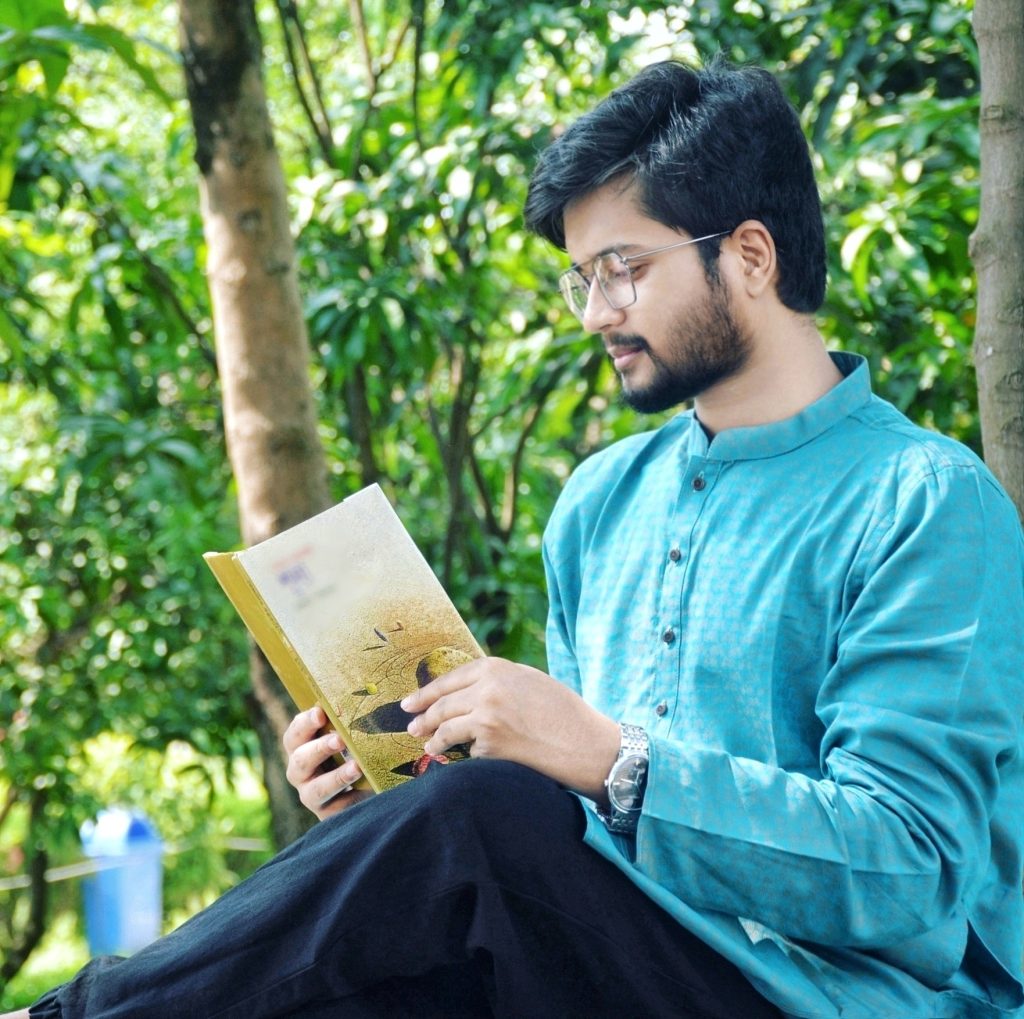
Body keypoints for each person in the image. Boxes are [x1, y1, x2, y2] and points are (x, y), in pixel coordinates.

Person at [9, 56, 1024, 1019]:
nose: (595, 314)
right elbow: (566, 842)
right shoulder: (600, 502)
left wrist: (606, 756)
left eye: (622, 270)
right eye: (581, 278)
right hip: (621, 956)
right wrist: (382, 806)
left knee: (480, 825)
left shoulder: (924, 501)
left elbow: (912, 868)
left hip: (835, 996)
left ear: (749, 255)